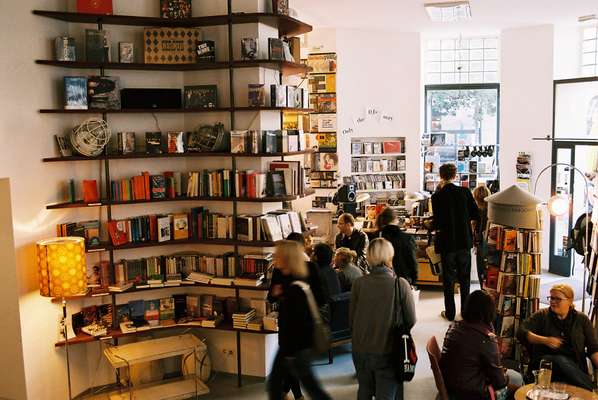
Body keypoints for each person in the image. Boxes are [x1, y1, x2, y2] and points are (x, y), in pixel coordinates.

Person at [350, 238, 416, 400]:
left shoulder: (358, 284)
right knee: (386, 395)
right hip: (387, 350)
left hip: (360, 350)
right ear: (389, 258)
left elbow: (352, 319)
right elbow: (411, 319)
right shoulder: (400, 284)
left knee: (364, 391)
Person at [267, 240, 332, 400]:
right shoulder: (283, 274)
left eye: (278, 255)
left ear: (286, 257)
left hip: (296, 344)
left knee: (309, 386)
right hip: (294, 342)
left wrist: (289, 352)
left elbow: (299, 318)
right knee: (301, 385)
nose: (275, 258)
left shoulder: (296, 287)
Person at [440, 290, 522, 400]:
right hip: (475, 393)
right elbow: (500, 382)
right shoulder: (486, 338)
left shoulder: (455, 327)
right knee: (517, 379)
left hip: (453, 386)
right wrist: (503, 373)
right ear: (489, 312)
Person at [516, 283, 598, 391]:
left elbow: (593, 349)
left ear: (570, 301)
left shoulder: (581, 319)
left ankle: (588, 390)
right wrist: (545, 340)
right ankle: (592, 390)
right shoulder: (542, 315)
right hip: (546, 367)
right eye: (551, 298)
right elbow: (521, 332)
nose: (553, 302)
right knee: (558, 359)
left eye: (558, 299)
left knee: (565, 363)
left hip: (574, 370)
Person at [431, 163, 479, 321]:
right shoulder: (465, 192)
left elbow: (437, 223)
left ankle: (450, 313)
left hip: (447, 244)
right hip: (464, 241)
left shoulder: (437, 196)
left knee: (448, 279)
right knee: (465, 278)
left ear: (441, 175)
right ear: (455, 175)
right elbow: (475, 214)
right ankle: (465, 312)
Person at [376, 207, 418, 285]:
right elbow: (411, 261)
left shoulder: (375, 236)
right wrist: (414, 279)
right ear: (396, 219)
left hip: (378, 279)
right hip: (402, 279)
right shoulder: (406, 238)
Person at [472, 185, 491, 287]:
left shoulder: (477, 211)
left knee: (481, 269)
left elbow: (476, 229)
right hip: (491, 242)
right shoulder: (492, 210)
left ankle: (482, 289)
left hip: (481, 243)